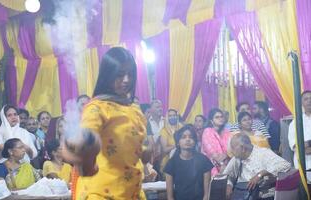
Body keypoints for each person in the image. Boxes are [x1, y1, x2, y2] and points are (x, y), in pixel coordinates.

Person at [61, 47, 152, 199]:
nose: (126, 80)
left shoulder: (135, 109)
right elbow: (88, 133)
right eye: (120, 74)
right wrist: (80, 147)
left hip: (131, 192)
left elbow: (136, 148)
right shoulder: (97, 108)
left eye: (130, 74)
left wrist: (146, 153)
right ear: (108, 75)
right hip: (103, 193)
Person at [224, 133, 291, 200]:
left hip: (263, 196)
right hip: (242, 194)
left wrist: (261, 174)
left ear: (243, 148)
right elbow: (227, 175)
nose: (231, 151)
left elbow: (285, 165)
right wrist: (229, 185)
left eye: (232, 147)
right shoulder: (236, 158)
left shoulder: (263, 153)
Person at [164, 125, 213, 200]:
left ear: (195, 141)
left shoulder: (203, 160)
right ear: (178, 143)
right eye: (183, 137)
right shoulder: (171, 163)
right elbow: (170, 197)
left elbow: (206, 195)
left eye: (191, 137)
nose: (188, 139)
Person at [288, 90, 311, 182]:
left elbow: (302, 145)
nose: (309, 101)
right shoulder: (295, 122)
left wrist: (307, 144)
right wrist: (304, 147)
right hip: (303, 165)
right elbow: (295, 145)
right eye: (306, 99)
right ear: (301, 103)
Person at [201, 108, 232, 176]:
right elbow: (212, 153)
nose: (220, 119)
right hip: (210, 164)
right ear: (211, 121)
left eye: (221, 117)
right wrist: (222, 164)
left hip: (227, 163)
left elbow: (231, 150)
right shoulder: (207, 131)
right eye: (217, 117)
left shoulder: (227, 133)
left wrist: (227, 155)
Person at [159, 109, 183, 174]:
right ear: (167, 117)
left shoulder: (181, 127)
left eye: (174, 115)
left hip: (183, 158)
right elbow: (165, 149)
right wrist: (177, 145)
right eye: (170, 116)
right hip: (168, 161)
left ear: (177, 116)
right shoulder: (164, 131)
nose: (172, 117)